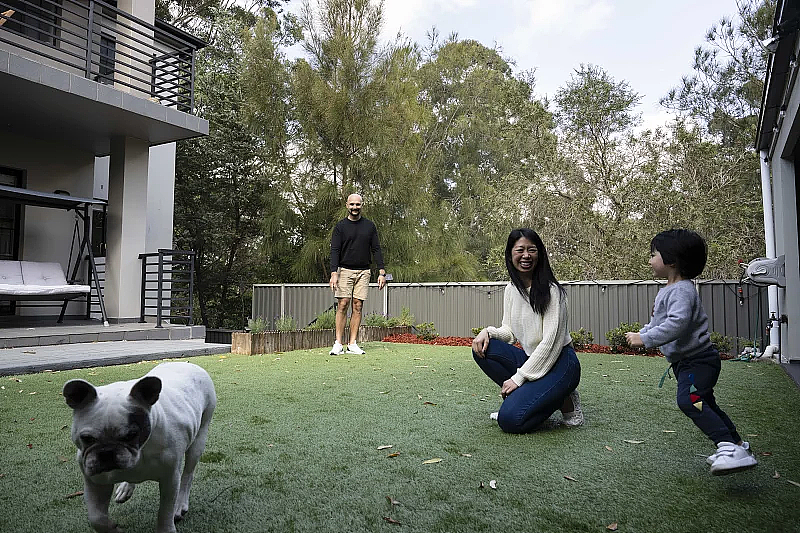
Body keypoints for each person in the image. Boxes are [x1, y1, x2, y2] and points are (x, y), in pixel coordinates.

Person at [625, 229, 757, 475]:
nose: (650, 260)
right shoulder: (670, 289)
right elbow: (659, 322)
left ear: (671, 260)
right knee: (704, 402)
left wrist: (645, 339)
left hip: (698, 362)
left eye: (654, 255)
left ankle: (727, 446)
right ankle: (738, 446)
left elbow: (678, 323)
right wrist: (643, 332)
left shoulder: (682, 290)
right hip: (689, 363)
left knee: (691, 400)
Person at [472, 228, 582, 433]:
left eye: (532, 250)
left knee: (510, 420)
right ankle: (538, 398)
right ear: (510, 254)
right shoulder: (511, 289)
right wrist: (487, 332)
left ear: (540, 254)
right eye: (520, 250)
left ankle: (564, 397)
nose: (526, 256)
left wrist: (518, 378)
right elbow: (509, 332)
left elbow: (550, 343)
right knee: (483, 349)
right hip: (532, 360)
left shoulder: (552, 291)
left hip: (561, 363)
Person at [328, 193, 386, 355]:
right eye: (352, 204)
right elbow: (335, 250)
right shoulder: (340, 227)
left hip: (364, 271)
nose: (355, 207)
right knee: (343, 304)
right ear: (347, 205)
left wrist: (381, 272)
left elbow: (376, 249)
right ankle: (338, 343)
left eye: (357, 204)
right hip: (344, 270)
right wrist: (334, 272)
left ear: (362, 205)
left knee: (358, 306)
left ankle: (352, 343)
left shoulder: (369, 226)